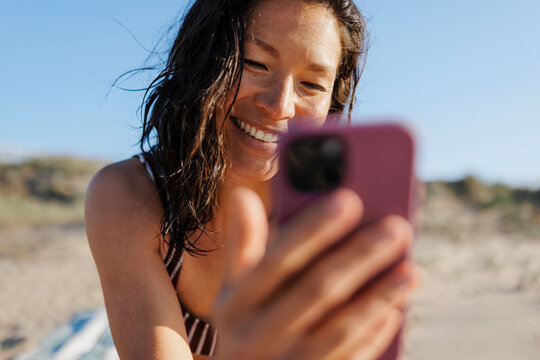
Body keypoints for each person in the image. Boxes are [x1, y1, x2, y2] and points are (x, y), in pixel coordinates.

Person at [85, 0, 419, 359]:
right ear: (202, 60)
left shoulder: (334, 223)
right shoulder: (133, 196)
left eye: (312, 85)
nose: (280, 106)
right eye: (255, 64)